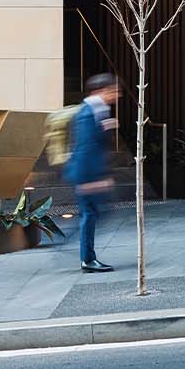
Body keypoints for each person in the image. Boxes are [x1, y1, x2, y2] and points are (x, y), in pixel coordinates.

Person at [63, 73, 120, 273]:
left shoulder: (98, 109)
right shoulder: (89, 112)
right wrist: (92, 180)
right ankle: (87, 259)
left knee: (93, 213)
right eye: (113, 91)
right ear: (100, 91)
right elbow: (86, 148)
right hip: (86, 174)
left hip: (88, 172)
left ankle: (84, 252)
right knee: (90, 215)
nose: (116, 95)